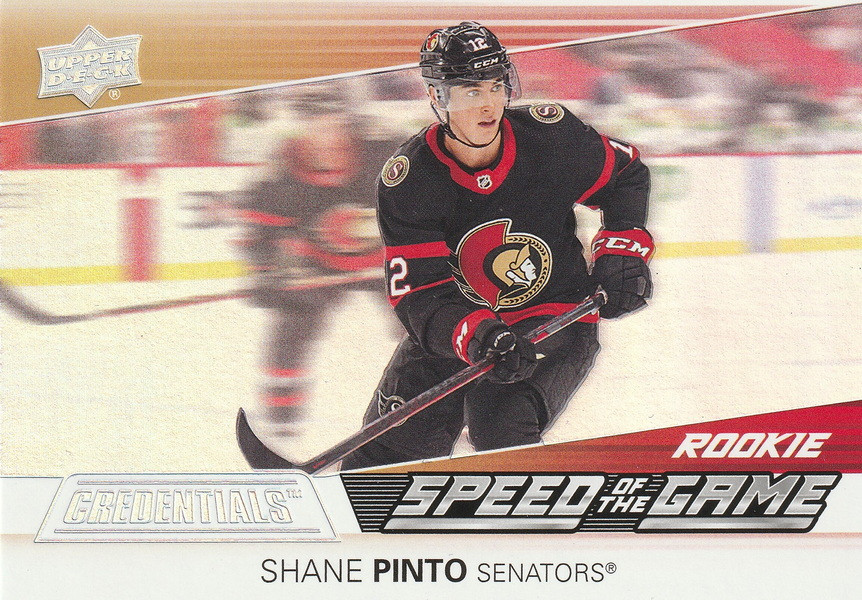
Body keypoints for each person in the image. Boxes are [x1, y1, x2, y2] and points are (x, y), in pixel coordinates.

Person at [341, 22, 653, 469]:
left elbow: (626, 174)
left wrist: (621, 250)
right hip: (464, 325)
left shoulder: (551, 138)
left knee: (499, 422)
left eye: (495, 86)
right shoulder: (410, 181)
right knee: (388, 450)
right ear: (437, 97)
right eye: (471, 91)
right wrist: (479, 335)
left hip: (554, 315)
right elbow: (421, 295)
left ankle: (534, 506)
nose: (489, 104)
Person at [239, 83, 398, 435]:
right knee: (291, 325)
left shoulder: (382, 155)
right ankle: (281, 419)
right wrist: (265, 272)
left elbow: (428, 199)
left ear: (347, 122)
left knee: (425, 322)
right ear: (300, 127)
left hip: (386, 257)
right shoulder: (281, 176)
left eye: (333, 124)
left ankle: (455, 405)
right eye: (315, 125)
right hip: (319, 263)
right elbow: (258, 235)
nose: (326, 136)